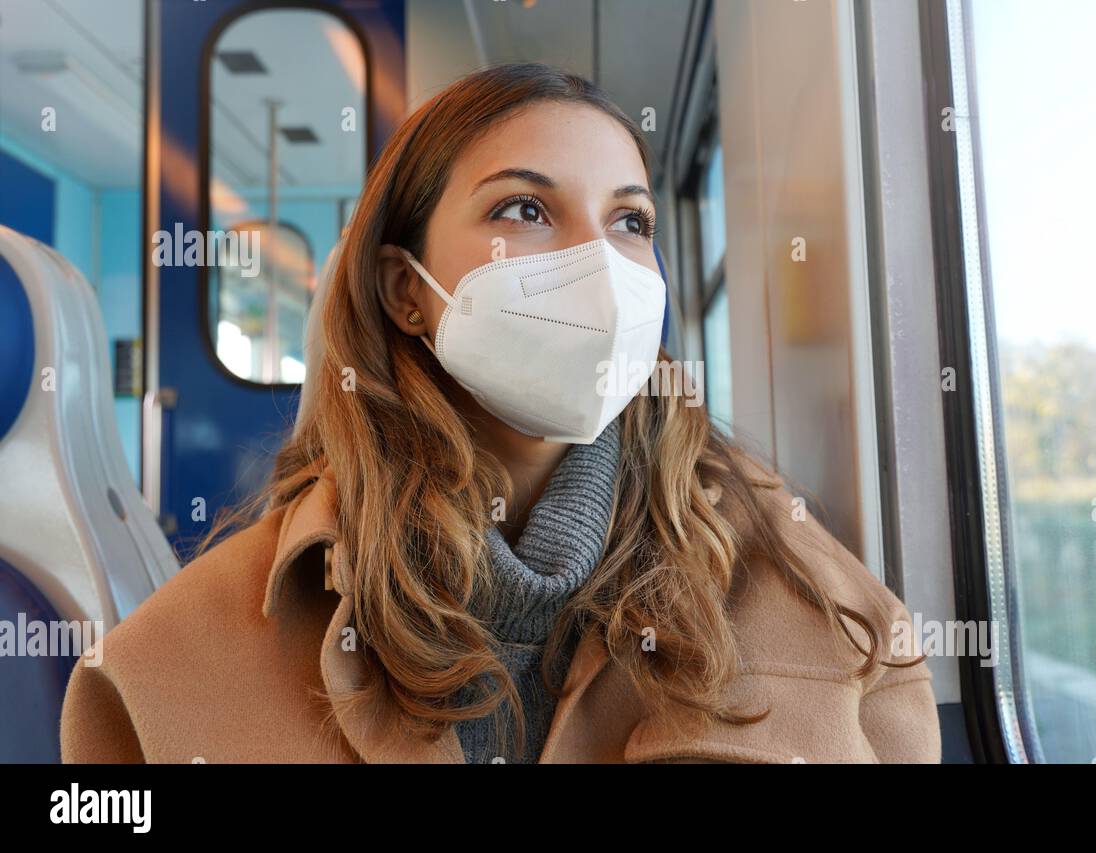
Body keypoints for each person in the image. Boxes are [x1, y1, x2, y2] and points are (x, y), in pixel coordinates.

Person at [59, 62, 941, 764]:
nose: (600, 265)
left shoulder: (808, 594)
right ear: (408, 290)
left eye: (630, 222)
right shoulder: (161, 669)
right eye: (525, 209)